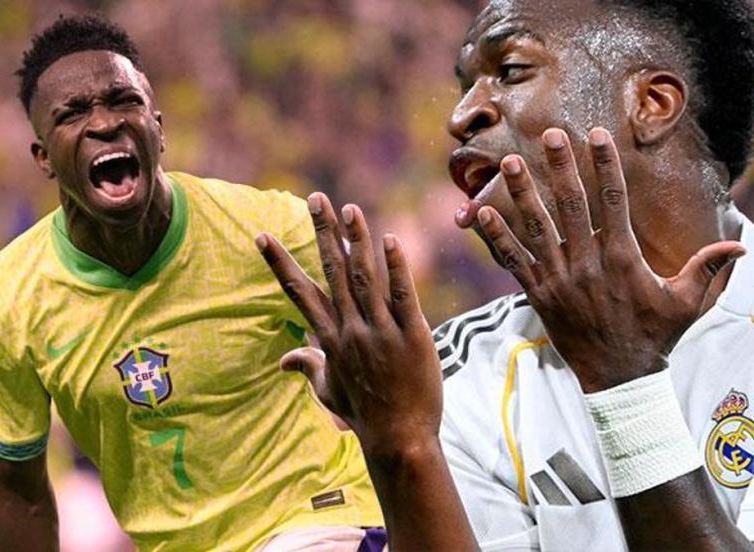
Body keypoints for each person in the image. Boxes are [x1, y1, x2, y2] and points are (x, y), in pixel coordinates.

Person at [258, 0, 754, 549]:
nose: (460, 116)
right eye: (465, 86)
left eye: (511, 71)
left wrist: (623, 378)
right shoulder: (449, 378)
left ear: (652, 103)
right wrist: (402, 446)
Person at [0, 14, 384, 551]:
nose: (104, 123)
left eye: (123, 101)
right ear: (43, 157)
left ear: (158, 129)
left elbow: (399, 364)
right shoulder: (4, 302)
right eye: (72, 113)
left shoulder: (272, 231)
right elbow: (20, 492)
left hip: (321, 516)